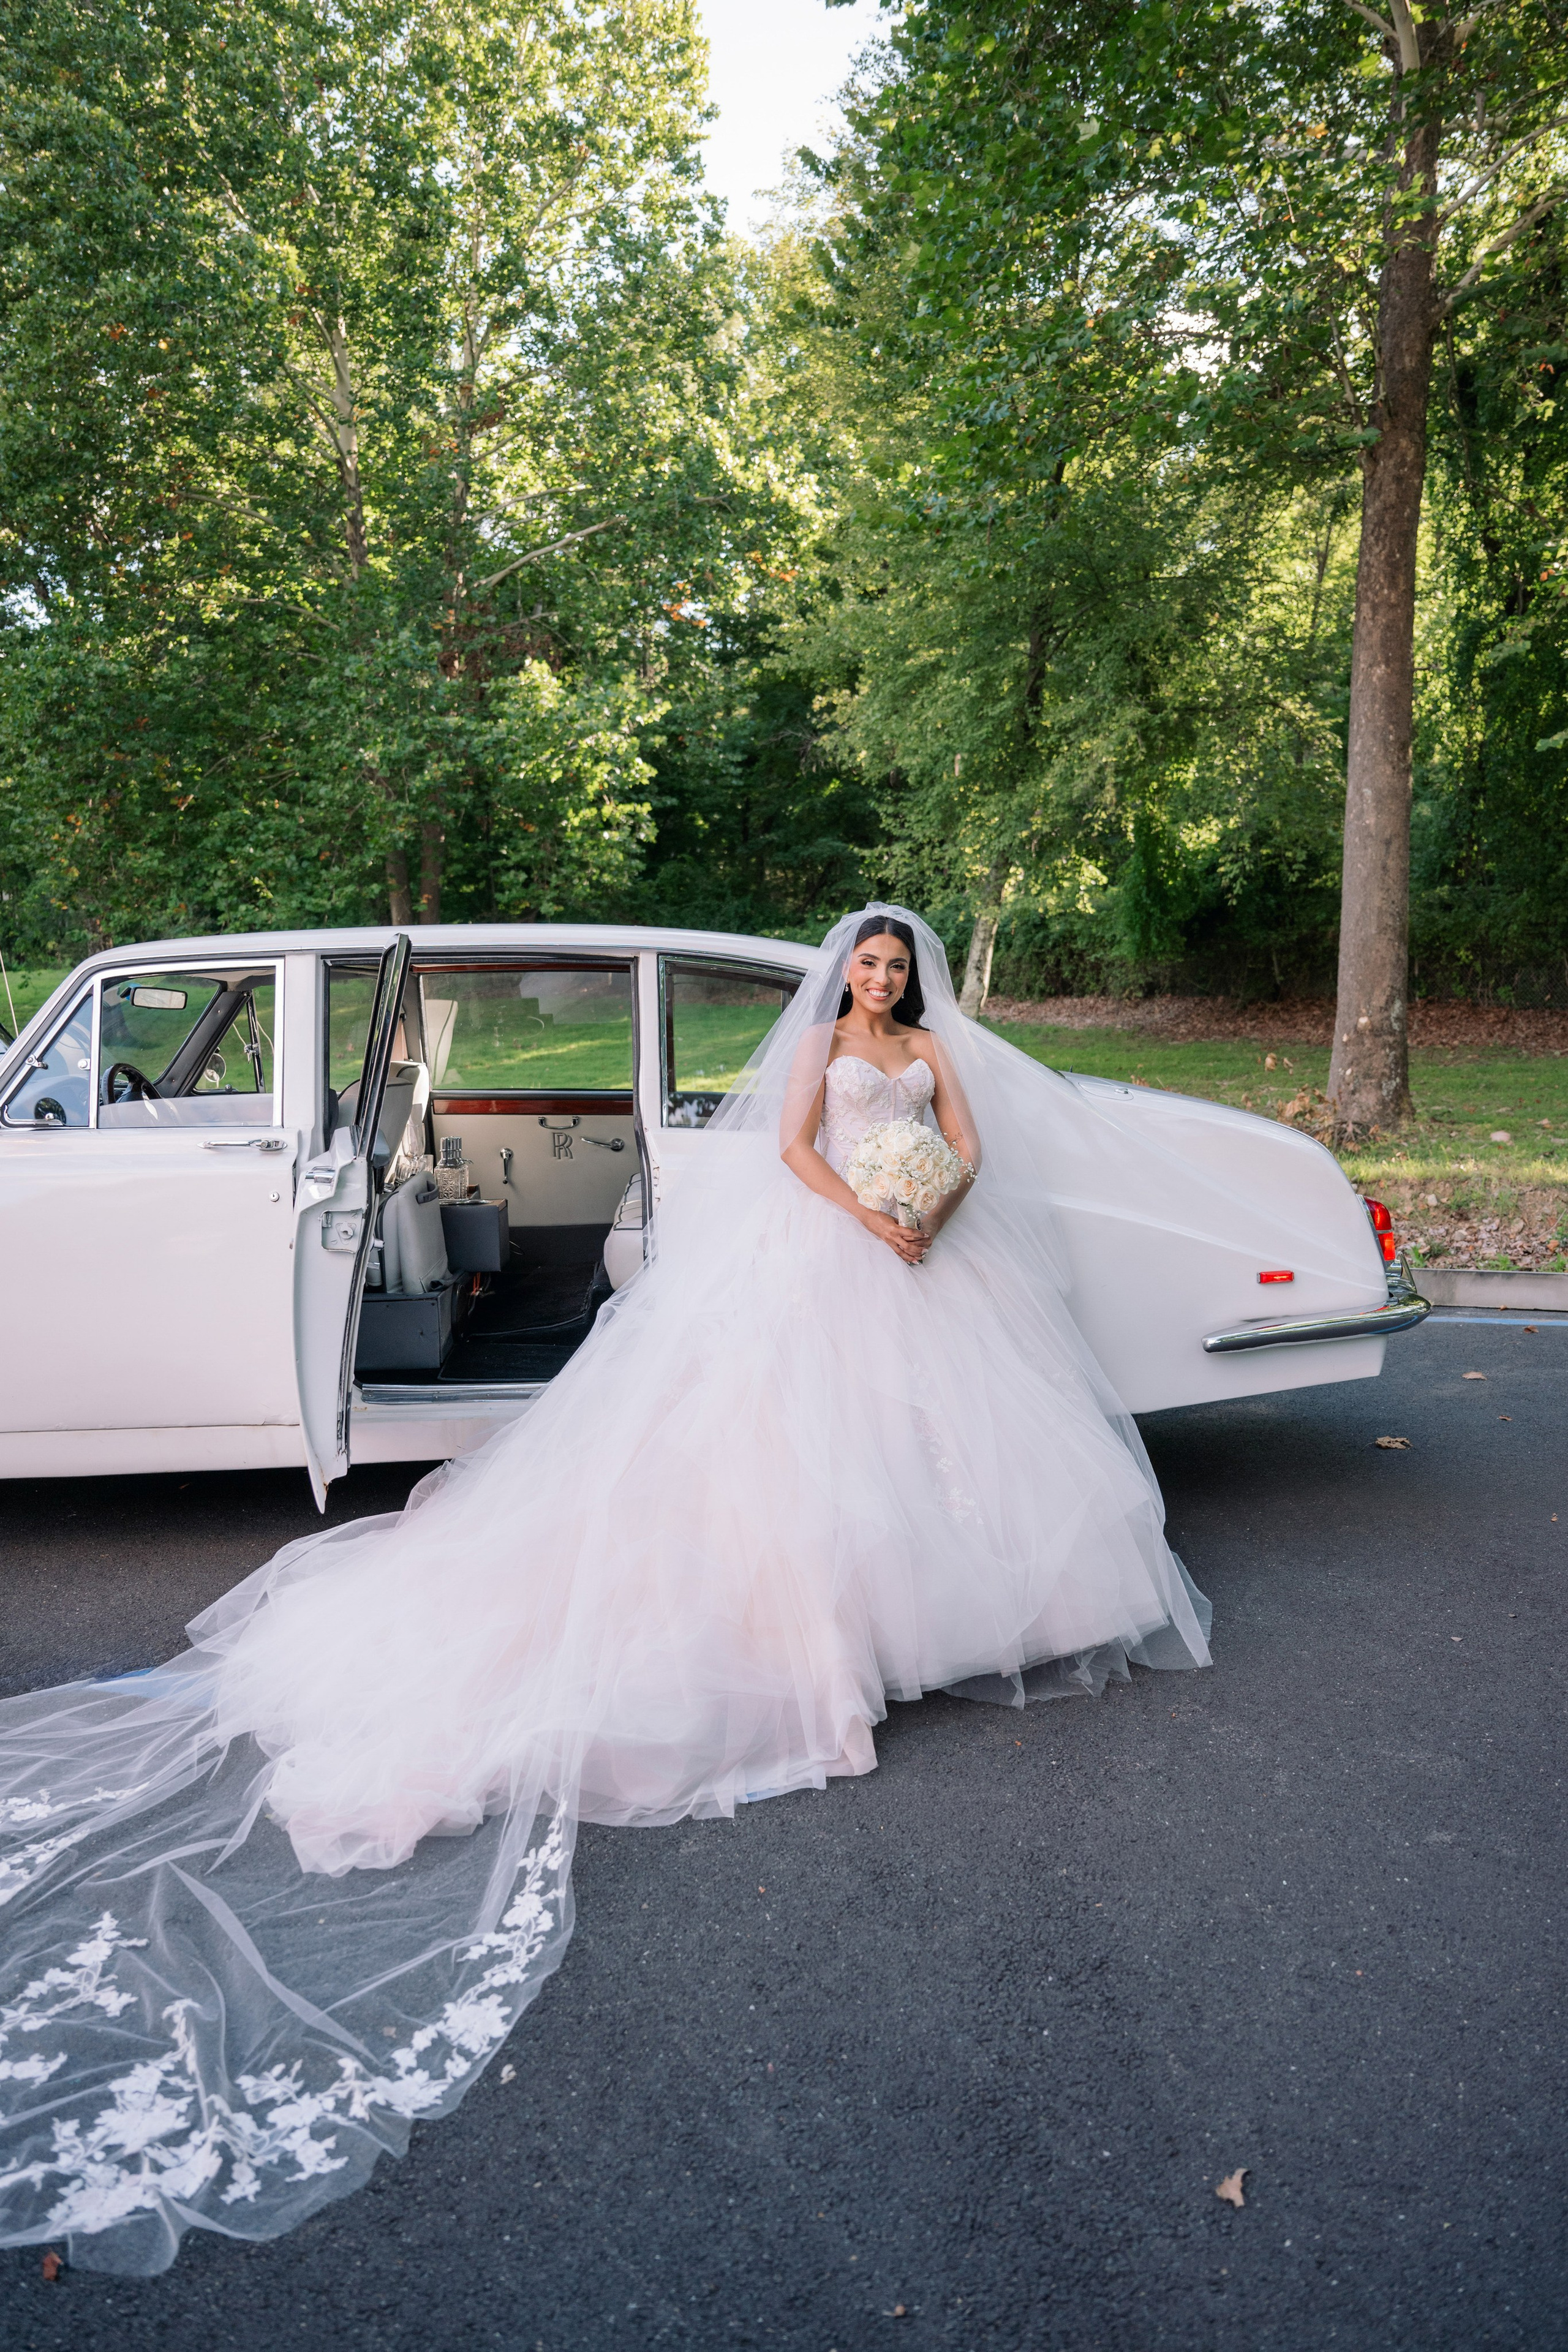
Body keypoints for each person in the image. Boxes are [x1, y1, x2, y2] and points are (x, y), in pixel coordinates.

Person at [0, 906, 1209, 2274]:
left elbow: (968, 1147)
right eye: (866, 964)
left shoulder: (931, 1052)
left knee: (912, 1446)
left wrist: (926, 1207)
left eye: (892, 966)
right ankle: (827, 1622)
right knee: (803, 1447)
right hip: (837, 1242)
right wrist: (874, 1217)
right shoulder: (819, 1045)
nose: (879, 979)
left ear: (908, 974)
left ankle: (913, 1619)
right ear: (846, 971)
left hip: (921, 1246)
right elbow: (795, 1149)